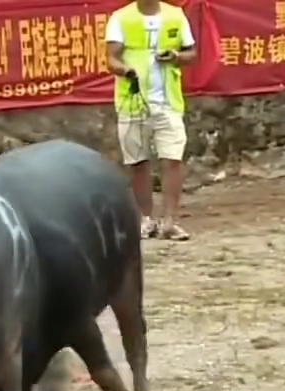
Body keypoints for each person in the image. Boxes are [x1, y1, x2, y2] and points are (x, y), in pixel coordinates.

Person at [105, 0, 197, 241]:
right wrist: (126, 70)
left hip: (168, 101)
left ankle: (170, 222)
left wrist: (176, 56)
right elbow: (111, 58)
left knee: (173, 159)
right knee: (138, 162)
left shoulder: (175, 15)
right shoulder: (121, 18)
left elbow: (192, 53)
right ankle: (145, 220)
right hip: (133, 101)